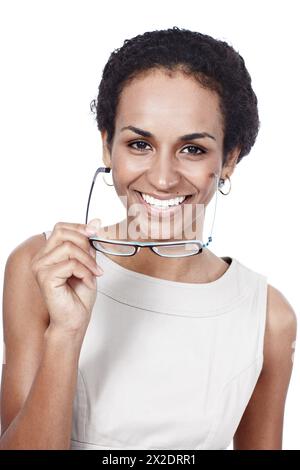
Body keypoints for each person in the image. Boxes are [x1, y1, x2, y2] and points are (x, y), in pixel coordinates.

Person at [0, 27, 297, 450]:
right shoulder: (42, 267)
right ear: (107, 145)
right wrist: (66, 332)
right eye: (140, 144)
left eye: (192, 149)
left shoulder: (268, 316)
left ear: (230, 158)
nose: (161, 178)